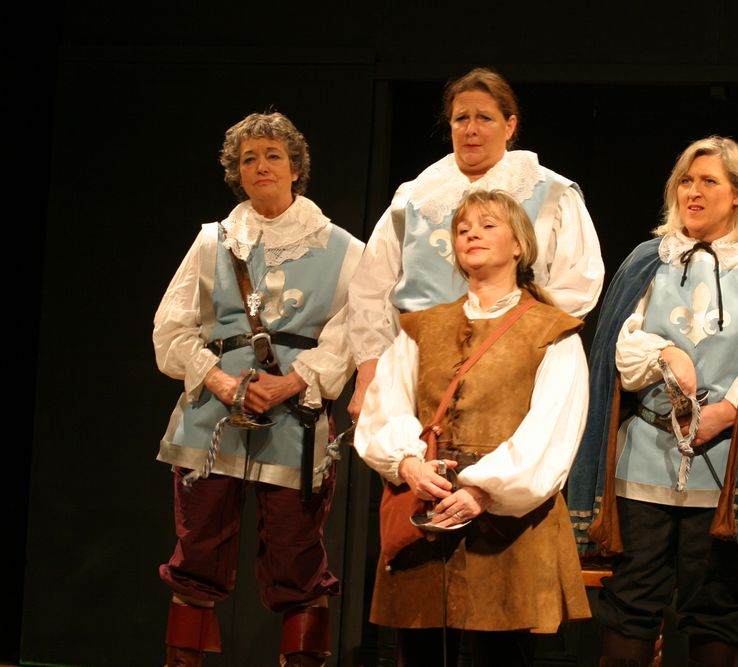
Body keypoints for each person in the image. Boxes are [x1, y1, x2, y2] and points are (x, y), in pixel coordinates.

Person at [566, 136, 738, 667]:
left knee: (715, 607)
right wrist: (666, 354)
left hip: (725, 465)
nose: (694, 192)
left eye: (709, 181)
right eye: (686, 180)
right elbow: (619, 351)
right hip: (644, 458)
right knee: (631, 603)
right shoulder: (649, 261)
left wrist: (728, 411)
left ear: (737, 194)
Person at [152, 111, 364, 667]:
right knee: (198, 550)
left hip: (295, 418)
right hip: (213, 415)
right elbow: (171, 329)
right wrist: (219, 380)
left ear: (296, 168)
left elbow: (355, 333)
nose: (261, 166)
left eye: (273, 155)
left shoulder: (345, 249)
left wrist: (294, 380)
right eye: (249, 159)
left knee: (297, 555)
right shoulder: (212, 242)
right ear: (236, 173)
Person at [354, 189, 592, 666]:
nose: (472, 235)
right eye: (463, 229)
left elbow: (552, 429)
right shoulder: (421, 327)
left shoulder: (552, 330)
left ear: (519, 245)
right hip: (429, 509)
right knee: (418, 654)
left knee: (500, 655)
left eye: (487, 225)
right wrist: (408, 465)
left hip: (508, 522)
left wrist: (484, 491)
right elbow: (387, 405)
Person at [346, 66, 604, 420]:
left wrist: (517, 341)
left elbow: (578, 283)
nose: (471, 129)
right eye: (461, 118)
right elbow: (371, 289)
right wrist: (369, 369)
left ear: (509, 126)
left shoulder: (551, 194)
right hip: (416, 367)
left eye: (484, 117)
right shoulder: (415, 197)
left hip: (513, 365)